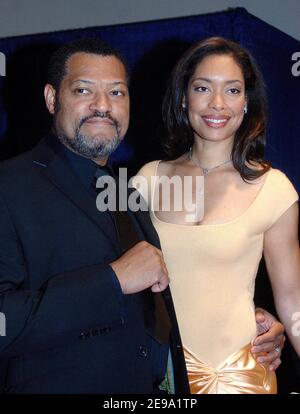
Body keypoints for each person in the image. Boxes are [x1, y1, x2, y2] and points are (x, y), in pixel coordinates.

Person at [0, 38, 284, 394]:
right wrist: (112, 281)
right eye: (84, 90)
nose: (102, 106)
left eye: (117, 93)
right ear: (52, 98)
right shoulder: (10, 185)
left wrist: (244, 323)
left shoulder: (127, 193)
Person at [135, 37, 300, 394]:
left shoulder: (274, 189)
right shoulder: (146, 182)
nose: (217, 104)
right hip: (163, 379)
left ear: (246, 103)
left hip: (244, 378)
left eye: (233, 90)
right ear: (183, 98)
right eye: (202, 88)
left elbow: (293, 302)